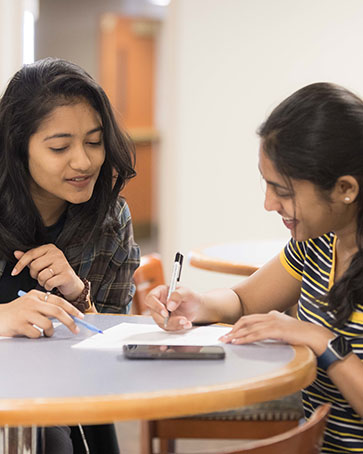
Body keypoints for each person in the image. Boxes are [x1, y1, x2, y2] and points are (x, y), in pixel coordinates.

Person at [146, 82, 363, 453]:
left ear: (345, 189)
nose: (268, 204)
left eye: (283, 191)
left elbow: (315, 337)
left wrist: (322, 341)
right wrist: (197, 304)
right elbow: (244, 300)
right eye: (266, 185)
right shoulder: (315, 244)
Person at [0, 57, 140, 453]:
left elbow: (115, 342)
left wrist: (79, 295)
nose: (84, 161)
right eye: (60, 147)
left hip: (64, 402)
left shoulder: (110, 218)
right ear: (17, 147)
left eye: (94, 142)